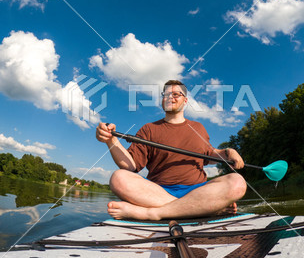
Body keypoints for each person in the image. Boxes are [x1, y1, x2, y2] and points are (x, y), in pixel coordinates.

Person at [96, 80, 247, 220]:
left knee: (237, 182)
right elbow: (130, 166)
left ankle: (152, 213)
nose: (170, 97)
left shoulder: (198, 128)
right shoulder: (149, 129)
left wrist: (228, 151)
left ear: (185, 100)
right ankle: (203, 208)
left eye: (175, 94)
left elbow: (210, 154)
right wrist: (111, 141)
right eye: (166, 94)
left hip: (198, 190)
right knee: (118, 177)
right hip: (158, 192)